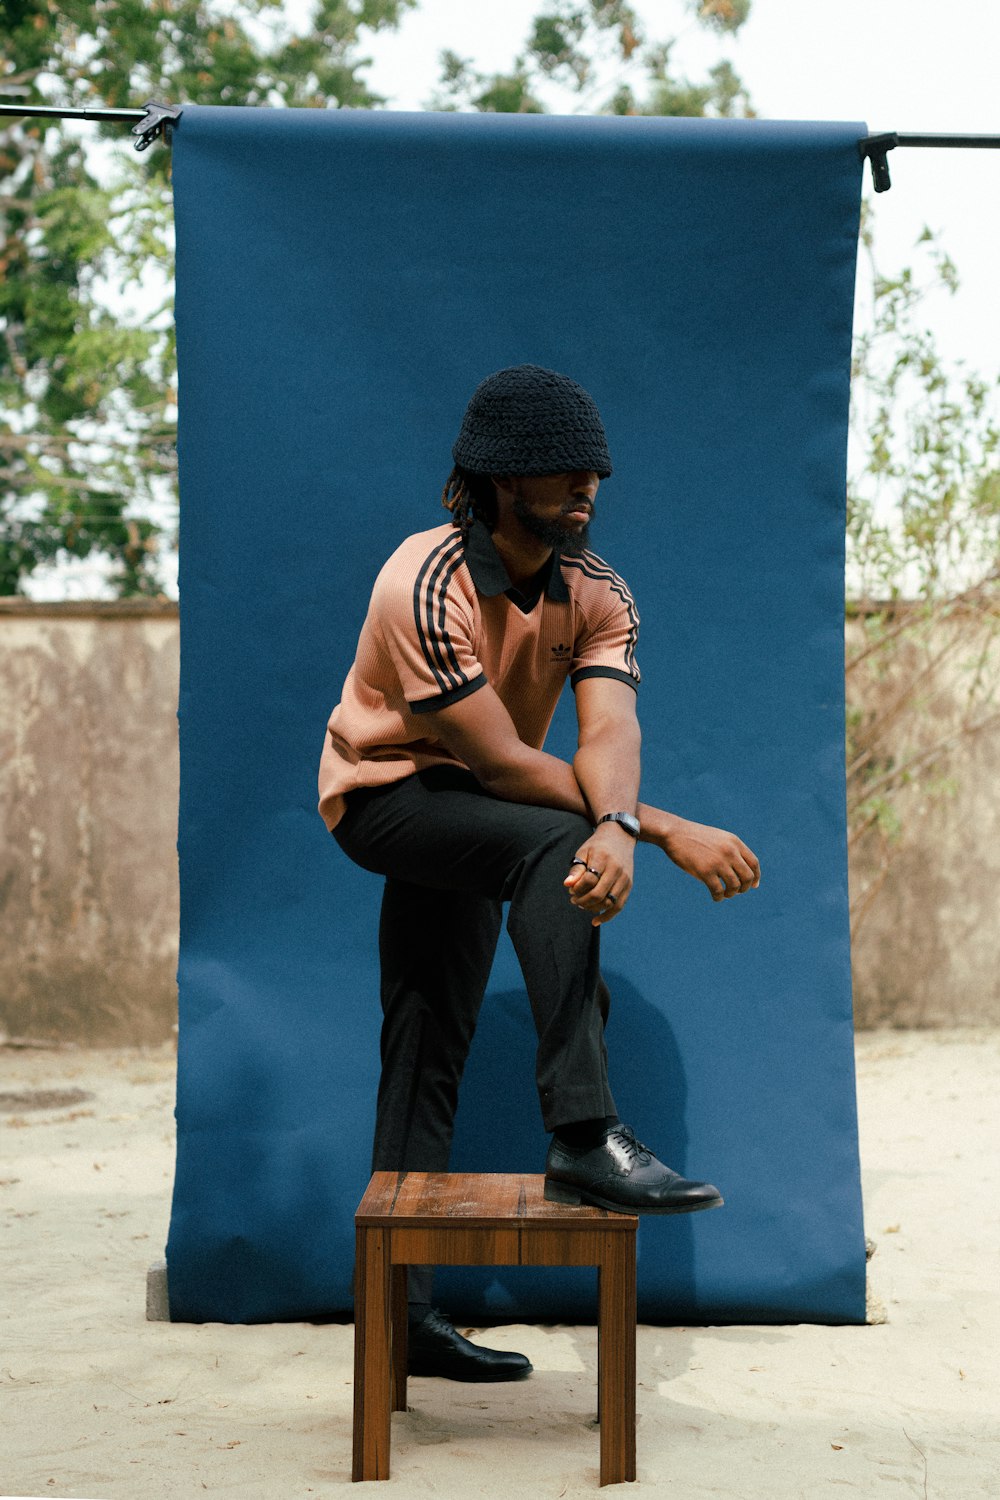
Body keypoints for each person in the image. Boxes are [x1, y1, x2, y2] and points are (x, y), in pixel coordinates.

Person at [318, 364, 759, 1382]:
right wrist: (657, 830)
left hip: (493, 809)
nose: (585, 489)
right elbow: (499, 763)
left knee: (429, 1037)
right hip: (388, 796)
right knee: (553, 844)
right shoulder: (420, 584)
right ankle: (584, 1130)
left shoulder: (597, 591)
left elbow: (609, 729)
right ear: (497, 481)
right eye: (561, 472)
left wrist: (616, 815)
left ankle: (402, 1323)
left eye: (592, 471)